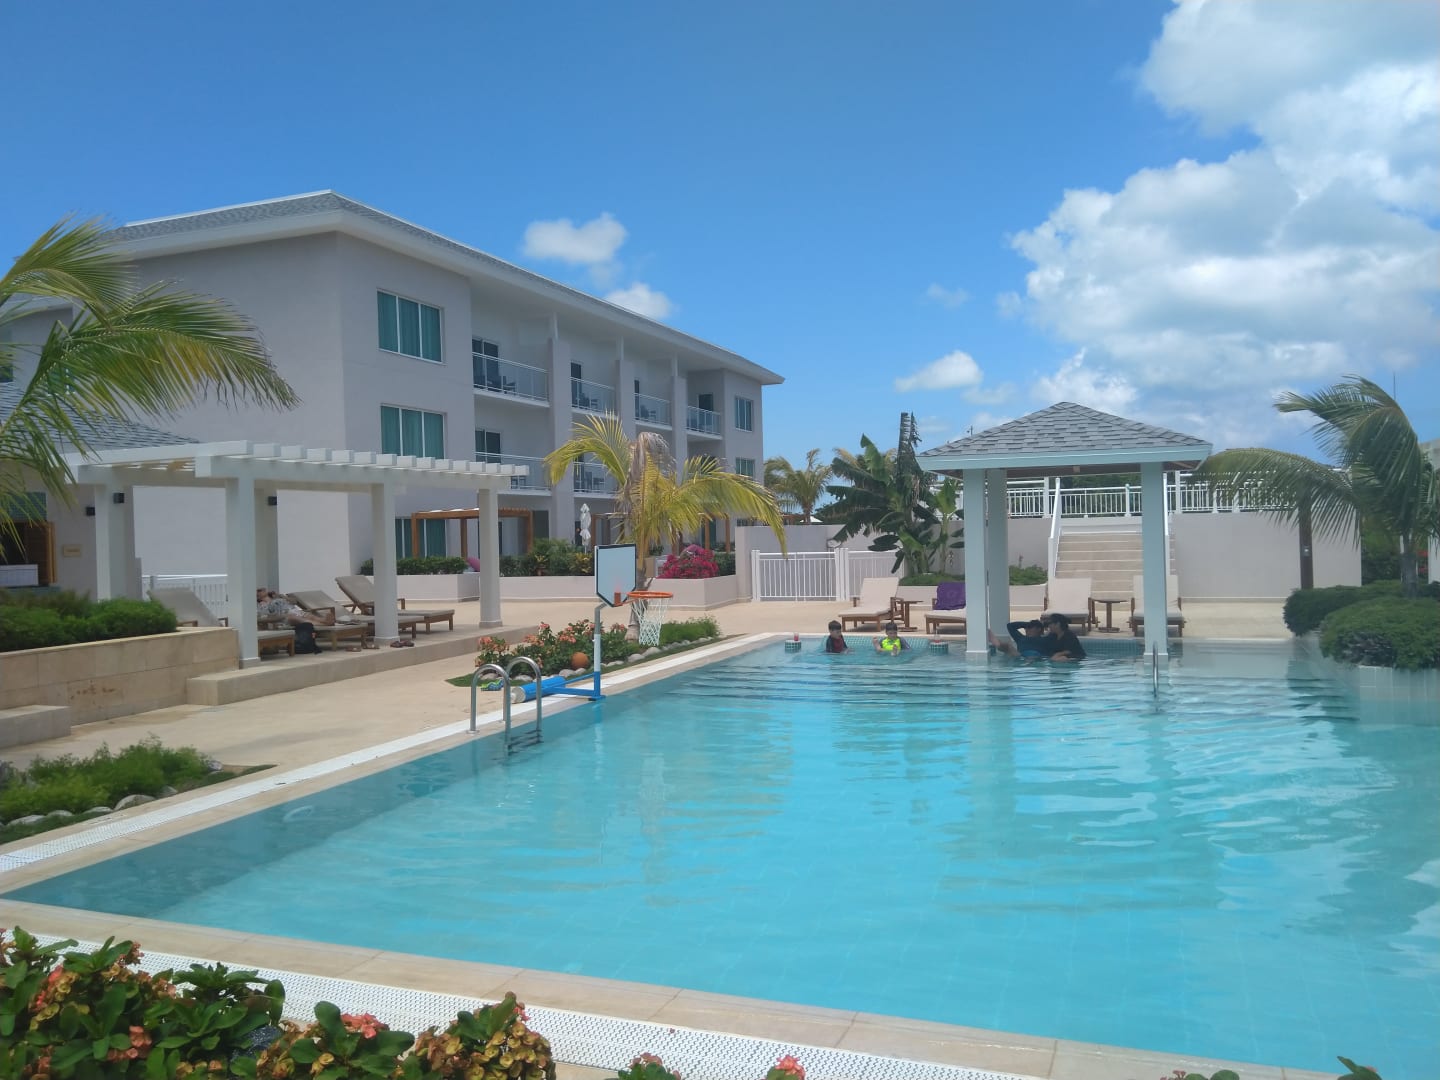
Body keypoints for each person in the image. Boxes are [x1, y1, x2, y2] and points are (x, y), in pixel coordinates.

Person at [256, 588, 335, 626]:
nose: (263, 590)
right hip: (284, 617)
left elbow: (294, 602)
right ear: (258, 596)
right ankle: (322, 625)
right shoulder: (262, 604)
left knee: (310, 616)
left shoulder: (277, 597)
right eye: (259, 590)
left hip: (294, 610)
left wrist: (281, 596)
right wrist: (282, 616)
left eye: (263, 589)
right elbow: (265, 615)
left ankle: (324, 620)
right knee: (297, 618)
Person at [988, 619, 1055, 660]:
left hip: (1038, 658)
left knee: (1033, 656)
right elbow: (1010, 626)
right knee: (1007, 646)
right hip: (1020, 657)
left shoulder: (1045, 639)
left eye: (1030, 627)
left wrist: (1038, 624)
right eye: (1026, 628)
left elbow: (1055, 631)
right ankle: (996, 642)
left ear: (1039, 629)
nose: (1026, 629)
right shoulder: (1020, 638)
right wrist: (1027, 624)